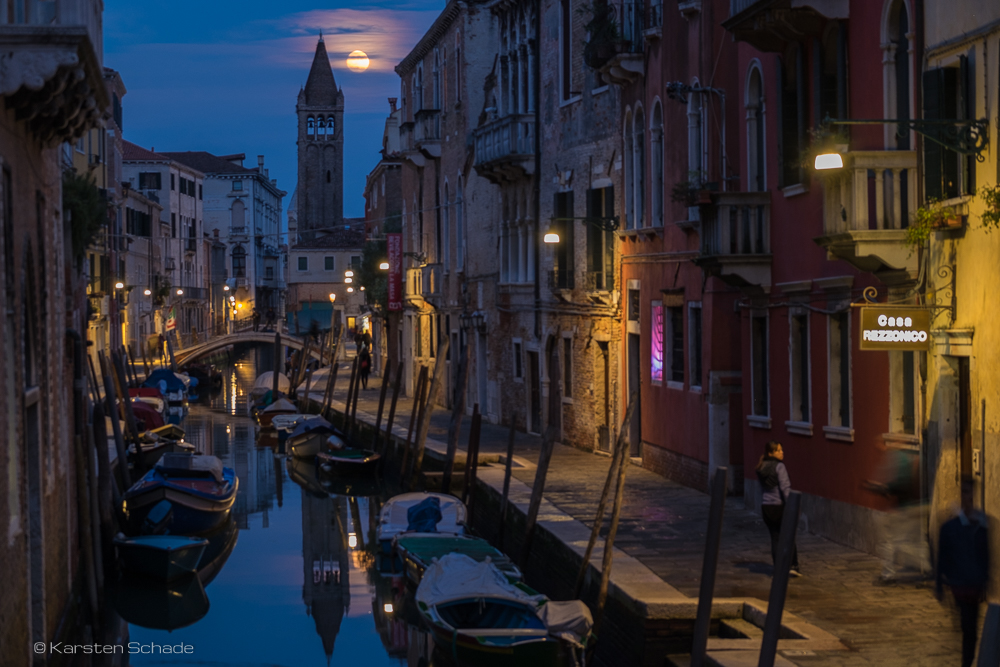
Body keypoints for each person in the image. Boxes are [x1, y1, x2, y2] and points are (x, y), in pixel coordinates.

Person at [936, 477, 989, 667]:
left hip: (973, 585)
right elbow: (943, 555)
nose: (968, 497)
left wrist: (985, 581)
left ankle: (966, 660)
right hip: (960, 584)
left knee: (971, 630)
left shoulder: (981, 523)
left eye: (970, 492)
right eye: (965, 492)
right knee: (968, 628)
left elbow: (985, 554)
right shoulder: (952, 527)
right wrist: (939, 584)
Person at [756, 440, 801, 577]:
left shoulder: (761, 466)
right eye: (778, 450)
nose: (782, 452)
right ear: (771, 453)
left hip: (766, 507)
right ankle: (792, 565)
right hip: (779, 507)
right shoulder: (779, 467)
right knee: (788, 535)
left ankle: (779, 567)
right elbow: (785, 488)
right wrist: (792, 506)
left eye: (781, 450)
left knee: (775, 538)